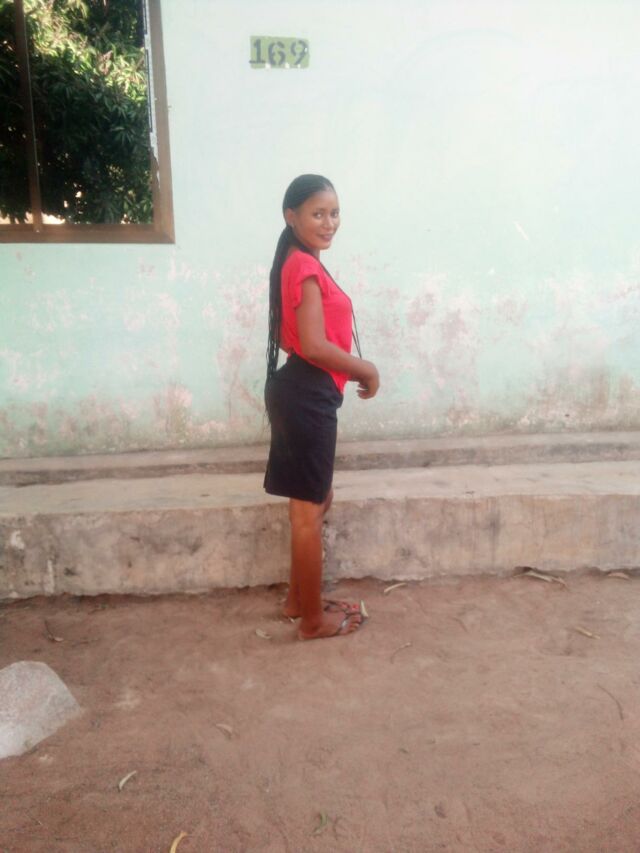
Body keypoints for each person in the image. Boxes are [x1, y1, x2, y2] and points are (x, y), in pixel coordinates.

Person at [264, 174, 380, 640]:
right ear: (291, 216)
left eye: (334, 213)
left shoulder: (298, 262)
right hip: (305, 394)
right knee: (309, 512)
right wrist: (365, 368)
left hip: (301, 391)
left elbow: (290, 337)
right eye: (318, 213)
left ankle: (298, 602)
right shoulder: (303, 267)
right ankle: (312, 622)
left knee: (315, 501)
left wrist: (342, 370)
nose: (329, 222)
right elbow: (312, 345)